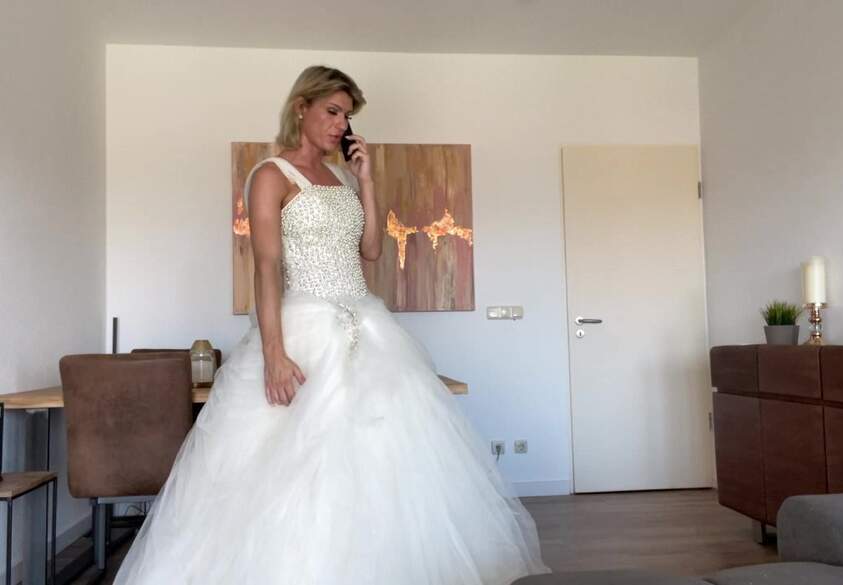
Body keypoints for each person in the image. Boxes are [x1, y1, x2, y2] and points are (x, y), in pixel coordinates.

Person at [114, 65, 549, 585]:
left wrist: (366, 180)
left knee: (385, 461)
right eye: (333, 111)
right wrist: (274, 354)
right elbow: (266, 267)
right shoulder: (271, 175)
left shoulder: (342, 178)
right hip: (305, 329)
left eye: (347, 116)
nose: (342, 124)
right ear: (302, 107)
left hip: (367, 326)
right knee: (296, 466)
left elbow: (371, 250)